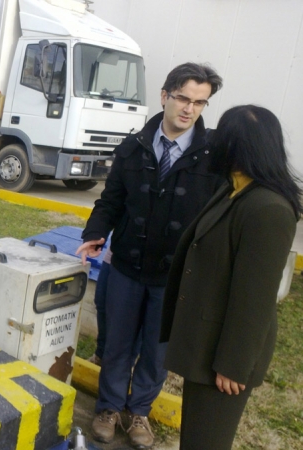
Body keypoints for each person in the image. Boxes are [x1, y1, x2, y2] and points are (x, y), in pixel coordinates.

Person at [75, 62, 224, 448]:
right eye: (183, 98)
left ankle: (138, 410)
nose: (189, 109)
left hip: (175, 277)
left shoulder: (213, 156)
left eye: (200, 103)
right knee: (118, 342)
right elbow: (111, 202)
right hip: (126, 265)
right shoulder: (132, 147)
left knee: (157, 352)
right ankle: (108, 408)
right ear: (165, 96)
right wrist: (95, 235)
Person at [160, 105, 300, 449]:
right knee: (195, 437)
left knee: (207, 441)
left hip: (225, 360)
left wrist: (234, 366)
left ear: (237, 145)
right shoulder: (234, 190)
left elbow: (255, 299)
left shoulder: (267, 209)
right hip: (206, 345)